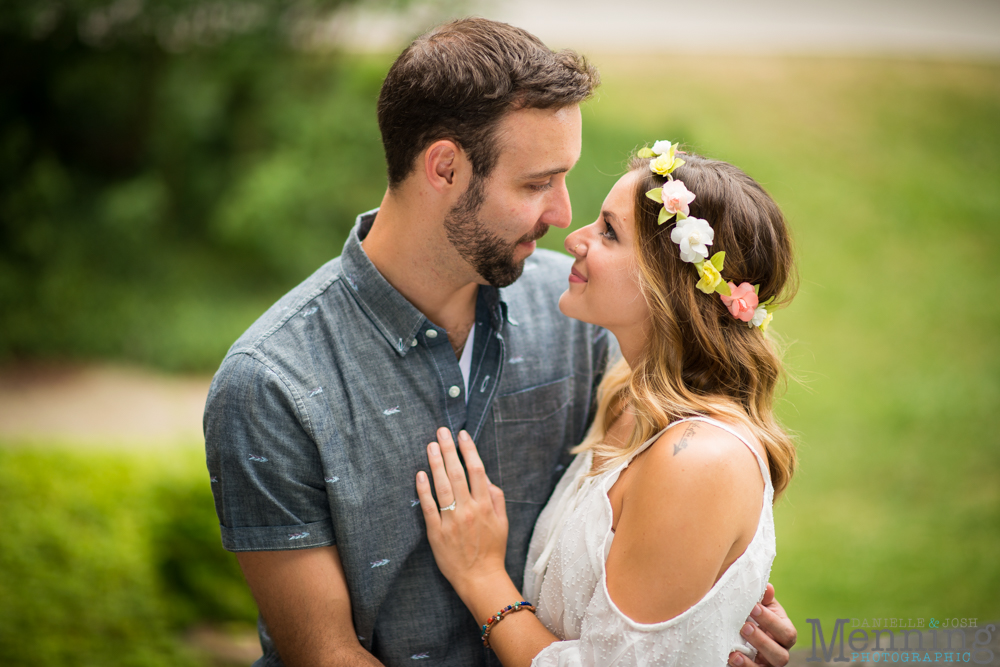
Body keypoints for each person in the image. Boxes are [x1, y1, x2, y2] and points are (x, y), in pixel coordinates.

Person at [203, 18, 796, 667]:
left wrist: (708, 619)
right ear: (446, 168)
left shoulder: (582, 317)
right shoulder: (271, 383)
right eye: (537, 183)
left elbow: (645, 545)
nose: (563, 215)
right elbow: (326, 655)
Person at [415, 145, 797, 666]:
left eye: (609, 232)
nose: (574, 238)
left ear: (670, 285)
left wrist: (480, 575)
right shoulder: (630, 402)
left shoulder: (699, 460)